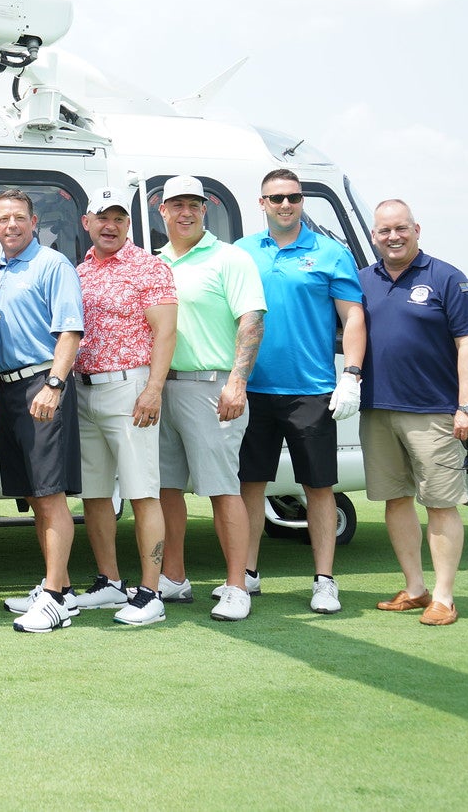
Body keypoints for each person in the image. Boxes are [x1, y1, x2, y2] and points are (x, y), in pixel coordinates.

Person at [234, 169, 365, 615]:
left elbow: (353, 318)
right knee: (250, 485)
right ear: (262, 202)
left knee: (319, 487)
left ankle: (324, 581)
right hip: (252, 389)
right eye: (275, 198)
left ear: (302, 200)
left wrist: (352, 373)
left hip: (312, 391)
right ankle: (247, 575)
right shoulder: (243, 252)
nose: (284, 205)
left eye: (292, 197)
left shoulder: (331, 253)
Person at [358, 200, 468, 626]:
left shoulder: (446, 277)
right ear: (374, 235)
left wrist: (467, 406)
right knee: (396, 500)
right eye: (384, 231)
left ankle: (444, 598)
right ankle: (414, 588)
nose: (392, 237)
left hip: (433, 412)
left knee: (440, 502)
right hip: (376, 409)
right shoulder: (363, 280)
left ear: (416, 229)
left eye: (400, 229)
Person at [155, 175, 266, 622]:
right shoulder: (154, 261)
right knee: (165, 488)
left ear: (205, 210)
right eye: (176, 205)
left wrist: (237, 382)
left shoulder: (230, 258)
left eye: (194, 205)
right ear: (161, 211)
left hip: (212, 387)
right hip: (162, 387)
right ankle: (174, 577)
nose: (186, 212)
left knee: (222, 489)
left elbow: (252, 320)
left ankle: (237, 585)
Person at [72, 186, 178, 626]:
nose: (110, 225)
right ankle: (110, 582)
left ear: (128, 224)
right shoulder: (79, 272)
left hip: (130, 388)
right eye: (102, 217)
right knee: (95, 493)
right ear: (87, 222)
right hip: (83, 390)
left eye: (118, 218)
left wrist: (153, 389)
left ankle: (150, 592)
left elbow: (166, 332)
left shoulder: (149, 267)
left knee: (141, 491)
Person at [0, 189, 85, 634]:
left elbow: (69, 330)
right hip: (9, 390)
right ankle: (58, 589)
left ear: (33, 221)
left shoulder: (52, 264)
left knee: (50, 494)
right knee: (33, 495)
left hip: (42, 384)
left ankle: (52, 600)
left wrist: (53, 384)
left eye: (19, 217)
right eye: (3, 218)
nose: (11, 225)